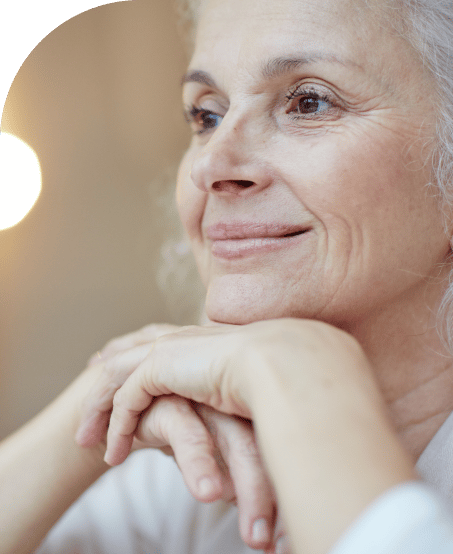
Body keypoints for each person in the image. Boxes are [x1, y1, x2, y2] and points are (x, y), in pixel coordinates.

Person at [2, 0, 453, 552]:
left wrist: (302, 376)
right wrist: (92, 410)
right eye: (206, 115)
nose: (209, 165)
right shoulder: (193, 475)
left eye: (309, 102)